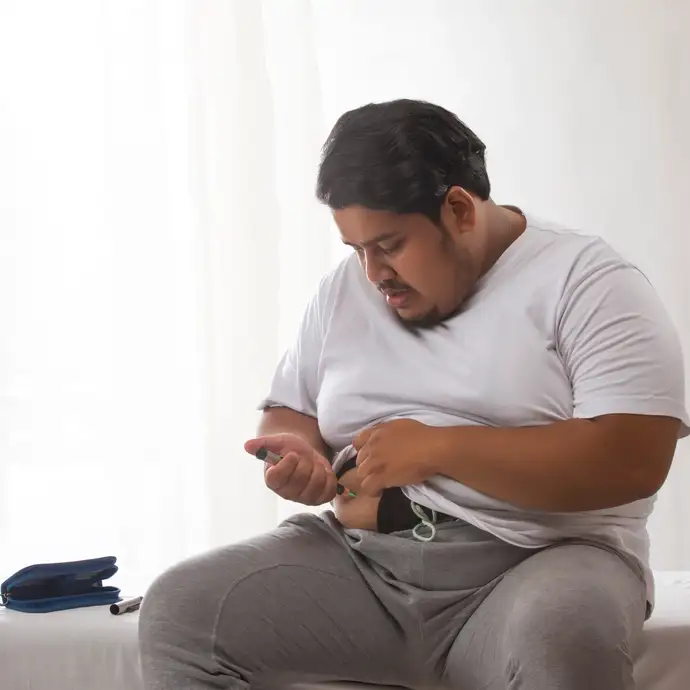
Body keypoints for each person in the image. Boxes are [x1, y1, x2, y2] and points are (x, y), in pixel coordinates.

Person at [139, 99, 689, 690]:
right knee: (183, 609)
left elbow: (633, 458)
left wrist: (439, 450)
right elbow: (292, 408)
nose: (373, 273)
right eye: (356, 249)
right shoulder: (346, 289)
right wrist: (300, 454)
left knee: (560, 634)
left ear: (458, 209)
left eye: (389, 245)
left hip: (539, 560)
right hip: (365, 565)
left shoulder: (589, 282)